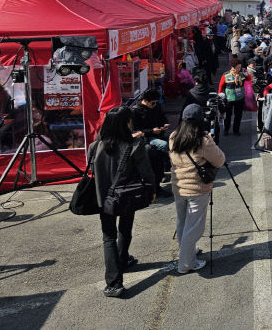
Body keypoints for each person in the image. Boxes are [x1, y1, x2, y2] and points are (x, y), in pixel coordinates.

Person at [93, 106, 155, 298]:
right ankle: (122, 259)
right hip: (127, 194)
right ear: (126, 123)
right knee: (125, 229)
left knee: (108, 237)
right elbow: (146, 172)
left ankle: (113, 282)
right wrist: (152, 189)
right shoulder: (134, 145)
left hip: (102, 196)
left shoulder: (95, 146)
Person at [169, 104, 226, 274]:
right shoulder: (203, 140)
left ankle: (189, 252)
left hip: (178, 186)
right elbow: (220, 160)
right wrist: (211, 140)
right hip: (197, 188)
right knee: (194, 227)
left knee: (183, 222)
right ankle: (186, 263)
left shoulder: (174, 136)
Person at [131, 88, 171, 198]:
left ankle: (163, 170)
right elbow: (135, 131)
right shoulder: (135, 111)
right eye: (152, 103)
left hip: (157, 135)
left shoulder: (156, 107)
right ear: (145, 101)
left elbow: (162, 117)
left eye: (156, 103)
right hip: (146, 139)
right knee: (163, 147)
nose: (154, 105)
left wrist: (165, 124)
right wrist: (151, 131)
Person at [218, 60, 250, 135]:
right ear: (233, 67)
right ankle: (226, 129)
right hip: (229, 99)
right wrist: (220, 95)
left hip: (240, 98)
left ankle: (236, 130)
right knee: (228, 116)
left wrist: (246, 73)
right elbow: (221, 86)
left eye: (240, 67)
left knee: (238, 116)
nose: (239, 69)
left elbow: (249, 79)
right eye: (238, 67)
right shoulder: (226, 75)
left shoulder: (242, 74)